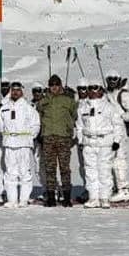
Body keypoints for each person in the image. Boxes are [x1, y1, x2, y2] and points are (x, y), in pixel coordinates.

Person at [76, 78, 122, 208]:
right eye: (90, 88)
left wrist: (116, 140)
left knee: (104, 170)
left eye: (95, 88)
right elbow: (79, 125)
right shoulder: (83, 107)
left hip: (104, 142)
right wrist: (80, 140)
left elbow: (117, 124)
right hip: (89, 142)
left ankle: (104, 197)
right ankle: (93, 197)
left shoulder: (109, 107)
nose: (92, 91)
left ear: (101, 90)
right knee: (90, 171)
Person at [37, 74, 77, 207]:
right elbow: (38, 117)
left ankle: (67, 197)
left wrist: (69, 130)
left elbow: (74, 115)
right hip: (48, 137)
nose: (54, 87)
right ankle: (51, 197)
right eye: (51, 85)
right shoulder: (43, 101)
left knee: (65, 168)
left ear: (60, 85)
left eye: (56, 84)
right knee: (50, 168)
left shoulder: (68, 100)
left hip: (63, 137)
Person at [0, 82, 40, 207]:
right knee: (10, 172)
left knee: (24, 172)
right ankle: (12, 200)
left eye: (18, 90)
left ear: (22, 91)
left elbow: (36, 125)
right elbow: (0, 127)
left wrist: (29, 137)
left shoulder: (28, 108)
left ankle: (23, 199)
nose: (15, 92)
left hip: (24, 144)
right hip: (9, 143)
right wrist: (7, 136)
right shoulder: (4, 108)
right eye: (13, 90)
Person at [105, 71, 129, 202]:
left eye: (115, 79)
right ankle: (115, 187)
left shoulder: (123, 94)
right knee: (109, 161)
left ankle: (124, 190)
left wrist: (122, 117)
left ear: (119, 80)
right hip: (108, 131)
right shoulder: (106, 95)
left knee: (119, 161)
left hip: (119, 131)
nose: (112, 81)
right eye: (110, 79)